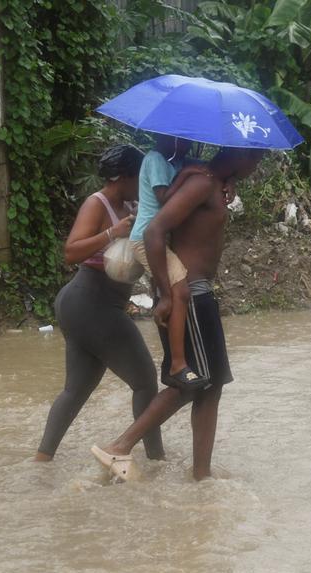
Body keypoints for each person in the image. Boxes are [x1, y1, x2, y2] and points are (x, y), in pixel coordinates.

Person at [91, 147, 266, 481]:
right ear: (240, 154)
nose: (256, 168)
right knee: (189, 384)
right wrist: (167, 293)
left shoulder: (207, 180)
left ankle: (201, 475)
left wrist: (228, 182)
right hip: (191, 296)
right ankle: (120, 446)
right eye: (255, 160)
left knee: (209, 387)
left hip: (199, 296)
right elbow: (154, 231)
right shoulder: (201, 183)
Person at [35, 145, 165, 462]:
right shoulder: (98, 204)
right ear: (123, 177)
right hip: (91, 301)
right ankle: (155, 460)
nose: (143, 183)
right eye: (139, 176)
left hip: (86, 305)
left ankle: (41, 460)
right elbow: (71, 252)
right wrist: (112, 232)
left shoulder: (135, 203)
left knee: (77, 389)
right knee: (145, 382)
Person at [128, 134, 207, 390]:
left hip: (158, 239)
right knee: (179, 292)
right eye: (183, 140)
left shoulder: (176, 162)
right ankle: (178, 365)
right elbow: (164, 198)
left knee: (175, 294)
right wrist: (186, 175)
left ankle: (172, 362)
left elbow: (208, 171)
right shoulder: (155, 159)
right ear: (170, 139)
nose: (187, 144)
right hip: (146, 239)